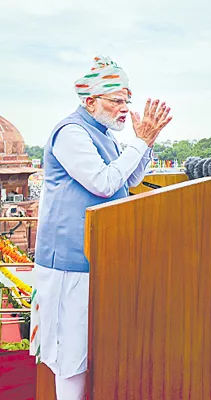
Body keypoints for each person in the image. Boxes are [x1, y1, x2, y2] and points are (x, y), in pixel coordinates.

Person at [29, 56, 172, 400]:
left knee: (92, 349)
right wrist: (139, 142)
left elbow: (130, 178)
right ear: (90, 101)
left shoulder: (103, 134)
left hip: (100, 258)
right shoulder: (71, 132)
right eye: (117, 100)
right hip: (70, 262)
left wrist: (145, 143)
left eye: (128, 101)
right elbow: (104, 183)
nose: (125, 108)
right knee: (71, 355)